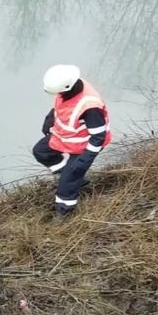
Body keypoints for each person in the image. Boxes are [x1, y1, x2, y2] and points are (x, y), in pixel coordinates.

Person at [33, 64, 112, 217]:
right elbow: (61, 105)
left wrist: (84, 159)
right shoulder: (68, 87)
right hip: (66, 137)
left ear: (68, 87)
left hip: (84, 145)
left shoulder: (90, 106)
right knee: (41, 152)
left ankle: (64, 213)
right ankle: (77, 179)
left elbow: (98, 137)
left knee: (67, 183)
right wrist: (50, 118)